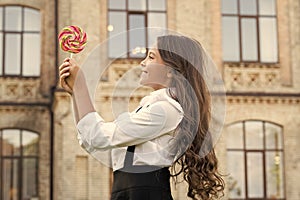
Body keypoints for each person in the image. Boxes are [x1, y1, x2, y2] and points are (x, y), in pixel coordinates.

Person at [59, 34, 225, 200]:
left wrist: (80, 87)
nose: (142, 62)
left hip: (144, 192)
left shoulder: (165, 110)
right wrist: (75, 93)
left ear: (169, 71)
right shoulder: (153, 107)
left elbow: (98, 136)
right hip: (127, 190)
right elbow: (89, 140)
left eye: (151, 57)